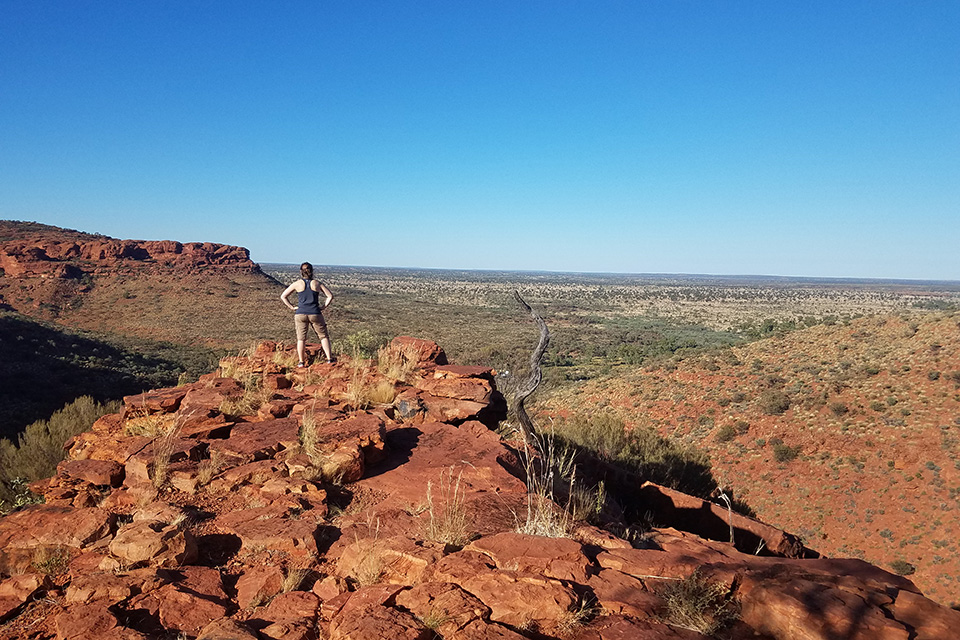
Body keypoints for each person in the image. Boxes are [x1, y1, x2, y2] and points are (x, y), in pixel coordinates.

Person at [280, 262, 334, 366]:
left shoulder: (297, 284)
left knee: (301, 339)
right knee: (323, 336)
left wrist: (292, 307)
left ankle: (301, 362)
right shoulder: (317, 283)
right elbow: (330, 296)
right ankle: (329, 359)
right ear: (312, 271)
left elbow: (283, 296)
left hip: (300, 313)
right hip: (315, 313)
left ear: (301, 272)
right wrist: (323, 306)